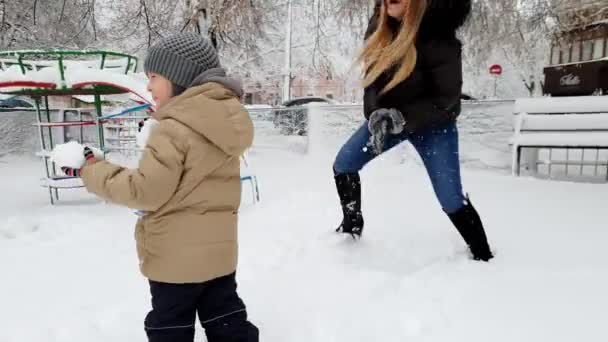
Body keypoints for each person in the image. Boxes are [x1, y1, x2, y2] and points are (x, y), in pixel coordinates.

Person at [61, 33, 260, 341]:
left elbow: (146, 191)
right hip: (219, 257)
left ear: (179, 77)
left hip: (175, 263)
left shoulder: (173, 129)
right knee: (226, 319)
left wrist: (91, 170)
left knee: (170, 327)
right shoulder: (223, 121)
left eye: (154, 77)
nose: (149, 86)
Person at [332, 0, 494, 262]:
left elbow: (447, 99)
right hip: (389, 121)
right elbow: (372, 84)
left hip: (434, 125)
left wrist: (403, 118)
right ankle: (351, 229)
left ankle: (483, 255)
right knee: (344, 164)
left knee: (450, 198)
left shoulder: (439, 34)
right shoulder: (380, 28)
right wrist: (376, 114)